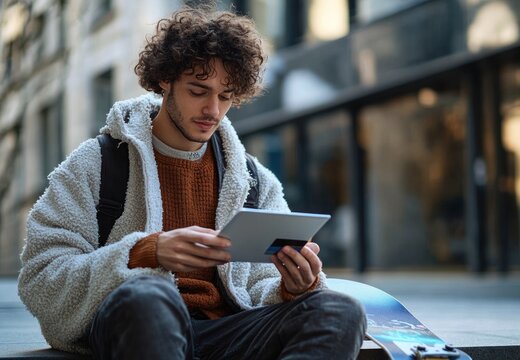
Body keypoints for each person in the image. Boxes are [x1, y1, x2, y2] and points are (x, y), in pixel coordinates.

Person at [18, 6, 366, 360]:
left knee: (340, 311)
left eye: (226, 96)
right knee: (149, 295)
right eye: (198, 91)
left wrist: (294, 287)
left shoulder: (253, 179)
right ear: (165, 80)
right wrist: (143, 253)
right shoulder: (98, 162)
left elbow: (259, 288)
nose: (212, 110)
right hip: (137, 323)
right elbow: (40, 277)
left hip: (226, 331)